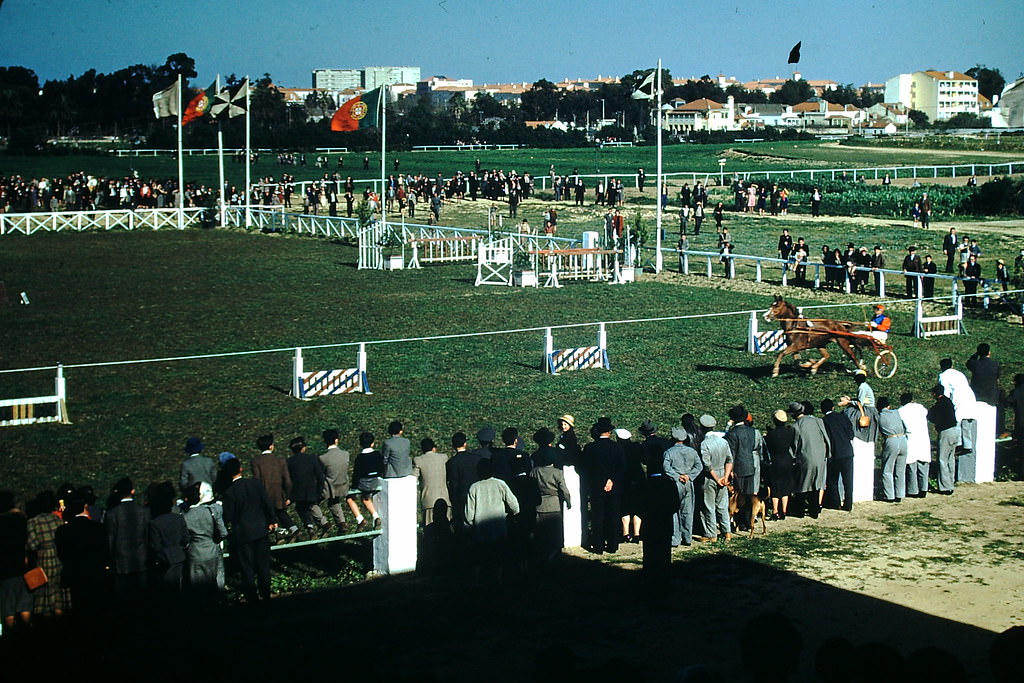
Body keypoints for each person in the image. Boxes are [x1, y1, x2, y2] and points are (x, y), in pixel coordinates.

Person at [221, 458, 276, 602]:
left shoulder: (229, 493)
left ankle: (251, 595)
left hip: (243, 532)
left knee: (247, 566)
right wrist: (272, 520)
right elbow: (267, 502)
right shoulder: (255, 484)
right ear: (241, 469)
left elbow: (228, 516)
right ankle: (266, 592)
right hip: (260, 528)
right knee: (263, 563)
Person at [55, 490, 110, 618]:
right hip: (96, 573)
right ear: (85, 507)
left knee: (78, 608)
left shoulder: (62, 531)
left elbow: (62, 555)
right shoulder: (98, 528)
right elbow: (105, 551)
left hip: (75, 574)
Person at [465, 458, 519, 585]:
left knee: (481, 558)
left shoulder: (474, 487)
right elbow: (514, 505)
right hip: (499, 529)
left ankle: (478, 582)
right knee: (499, 557)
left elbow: (469, 515)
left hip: (481, 531)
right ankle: (499, 581)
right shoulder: (500, 484)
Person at [580, 417, 624, 554]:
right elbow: (622, 466)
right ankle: (612, 545)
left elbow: (584, 468)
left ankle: (598, 546)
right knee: (613, 515)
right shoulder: (617, 447)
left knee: (597, 516)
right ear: (609, 432)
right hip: (613, 487)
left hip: (595, 486)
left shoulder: (589, 448)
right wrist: (612, 480)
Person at [104, 476, 149, 609]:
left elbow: (110, 540)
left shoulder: (112, 513)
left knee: (123, 601)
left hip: (120, 562)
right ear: (132, 491)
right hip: (141, 560)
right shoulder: (144, 511)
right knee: (141, 599)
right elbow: (147, 536)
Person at [530, 428, 571, 565]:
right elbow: (564, 489)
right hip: (554, 503)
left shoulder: (534, 467)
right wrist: (568, 501)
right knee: (555, 532)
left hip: (539, 504)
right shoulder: (557, 470)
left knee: (541, 533)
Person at [25, 491, 69, 618]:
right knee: (58, 595)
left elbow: (32, 545)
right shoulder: (58, 520)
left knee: (45, 594)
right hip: (58, 558)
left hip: (43, 559)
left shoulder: (33, 522)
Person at [181, 482, 227, 605]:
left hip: (195, 554)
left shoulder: (185, 517)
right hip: (211, 551)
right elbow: (223, 533)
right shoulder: (210, 512)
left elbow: (184, 539)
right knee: (212, 584)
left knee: (197, 588)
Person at [938, 358, 979, 482]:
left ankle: (962, 445)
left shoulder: (943, 376)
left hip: (959, 402)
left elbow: (945, 393)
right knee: (967, 425)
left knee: (959, 424)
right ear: (952, 365)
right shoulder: (959, 374)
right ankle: (967, 444)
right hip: (970, 398)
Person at [662, 424, 702, 548]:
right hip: (688, 482)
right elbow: (699, 466)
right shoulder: (692, 451)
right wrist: (689, 476)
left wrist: (677, 476)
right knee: (688, 510)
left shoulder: (669, 452)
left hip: (676, 483)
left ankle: (676, 538)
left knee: (674, 510)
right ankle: (687, 537)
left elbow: (666, 468)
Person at [789, 401, 830, 518]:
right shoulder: (818, 421)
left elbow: (795, 445)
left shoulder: (796, 426)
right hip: (820, 456)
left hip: (805, 457)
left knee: (802, 484)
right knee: (816, 484)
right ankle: (814, 510)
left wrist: (793, 457)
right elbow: (825, 438)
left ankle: (799, 510)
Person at [697, 417, 733, 542]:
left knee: (709, 506)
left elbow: (707, 465)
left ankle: (711, 533)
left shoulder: (704, 444)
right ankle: (727, 531)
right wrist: (726, 477)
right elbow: (729, 460)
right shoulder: (723, 441)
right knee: (723, 505)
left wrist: (717, 479)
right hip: (723, 473)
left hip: (711, 477)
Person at [0, 491, 31, 632]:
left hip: (5, 569)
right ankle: (26, 634)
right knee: (25, 605)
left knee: (8, 609)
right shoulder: (21, 520)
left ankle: (9, 638)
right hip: (22, 567)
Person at [287, 436, 328, 537]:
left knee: (301, 508)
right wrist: (319, 490)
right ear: (303, 448)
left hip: (297, 491)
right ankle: (323, 523)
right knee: (311, 506)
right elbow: (320, 476)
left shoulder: (289, 462)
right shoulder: (312, 458)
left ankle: (310, 526)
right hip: (311, 490)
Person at [821, 399, 855, 511]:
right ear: (833, 408)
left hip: (835, 453)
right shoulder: (842, 417)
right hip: (847, 451)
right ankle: (848, 503)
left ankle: (835, 502)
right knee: (848, 480)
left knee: (832, 479)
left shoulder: (824, 421)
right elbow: (851, 433)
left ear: (822, 410)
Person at [763, 410, 796, 519]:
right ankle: (784, 510)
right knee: (786, 485)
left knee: (775, 486)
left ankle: (775, 511)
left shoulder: (771, 434)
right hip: (787, 460)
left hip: (776, 461)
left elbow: (768, 445)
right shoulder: (790, 432)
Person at [348, 432, 383, 530]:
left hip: (364, 483)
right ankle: (375, 516)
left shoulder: (360, 458)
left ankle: (361, 518)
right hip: (376, 481)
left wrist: (354, 488)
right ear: (373, 443)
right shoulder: (377, 454)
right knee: (366, 498)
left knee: (352, 498)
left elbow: (356, 474)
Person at [899, 393, 931, 499]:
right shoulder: (920, 407)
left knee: (911, 466)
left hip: (911, 438)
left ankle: (913, 490)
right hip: (923, 437)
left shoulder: (901, 411)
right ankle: (924, 488)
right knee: (923, 465)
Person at [927, 384, 959, 495]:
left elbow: (932, 416)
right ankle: (951, 482)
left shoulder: (939, 405)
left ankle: (945, 486)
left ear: (935, 394)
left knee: (942, 459)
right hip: (955, 430)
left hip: (946, 431)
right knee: (951, 458)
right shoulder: (948, 402)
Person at [876, 398, 909, 503]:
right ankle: (900, 493)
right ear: (888, 406)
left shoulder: (880, 416)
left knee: (887, 469)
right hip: (903, 439)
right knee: (900, 469)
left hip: (891, 439)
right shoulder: (896, 412)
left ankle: (889, 495)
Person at [413, 438, 450, 526]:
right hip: (444, 498)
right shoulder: (444, 457)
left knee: (430, 529)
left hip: (428, 501)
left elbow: (414, 478)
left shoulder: (418, 460)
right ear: (434, 448)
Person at [319, 429, 350, 533]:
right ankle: (342, 522)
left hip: (330, 488)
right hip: (343, 485)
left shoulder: (323, 458)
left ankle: (324, 523)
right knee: (334, 502)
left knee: (318, 503)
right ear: (336, 440)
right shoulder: (346, 454)